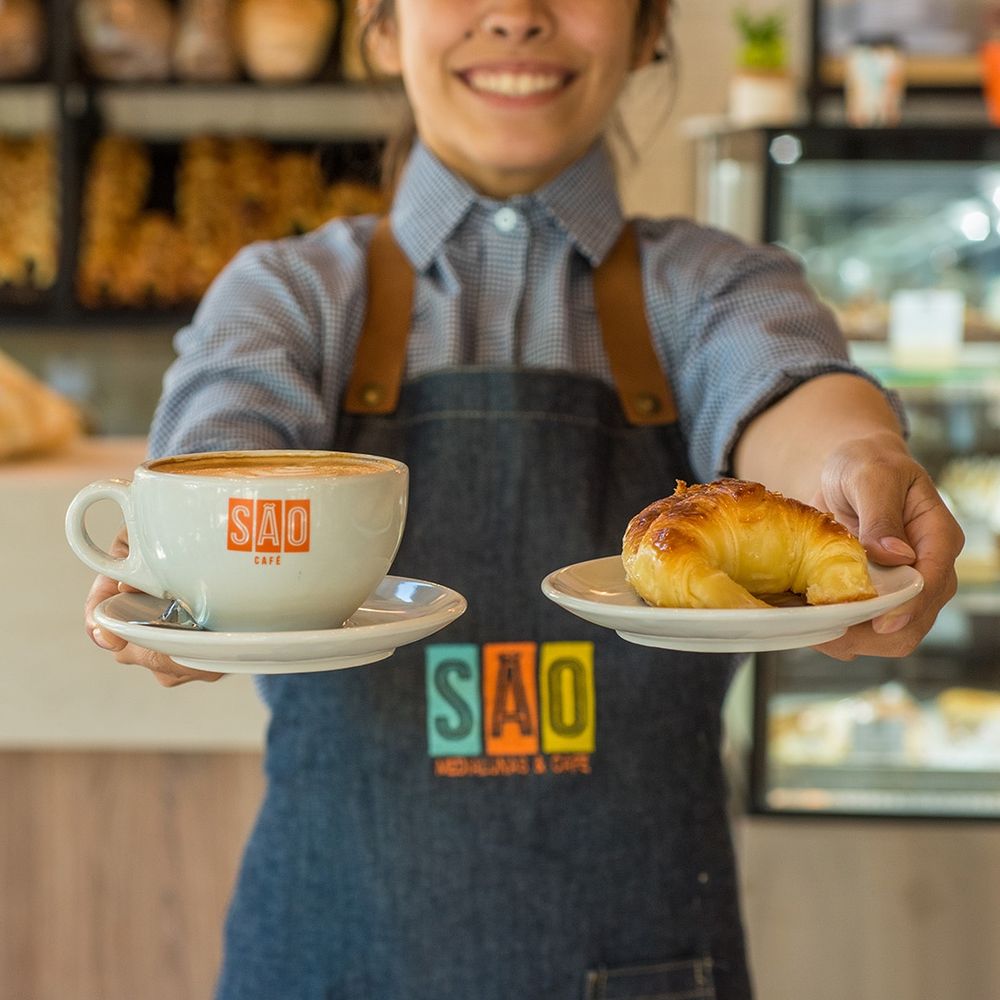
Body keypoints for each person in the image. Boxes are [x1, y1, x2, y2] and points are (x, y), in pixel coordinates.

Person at [83, 2, 964, 998]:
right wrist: (186, 570)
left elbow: (789, 386)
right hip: (334, 962)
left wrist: (855, 461)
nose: (514, 16)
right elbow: (219, 442)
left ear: (646, 31)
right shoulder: (291, 295)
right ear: (380, 24)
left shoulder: (711, 284)